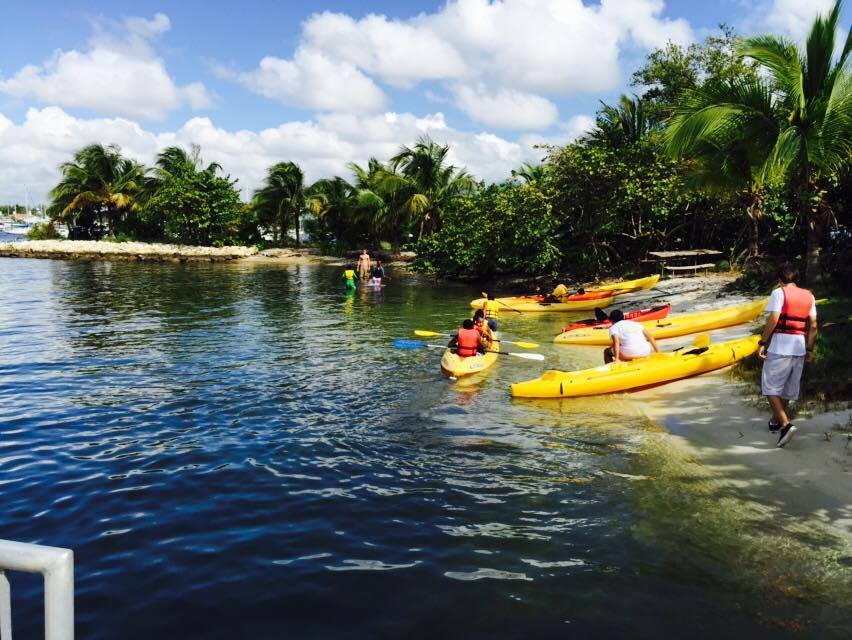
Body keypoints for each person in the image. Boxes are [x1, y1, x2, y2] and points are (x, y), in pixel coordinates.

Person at [757, 263, 817, 448]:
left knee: (770, 388)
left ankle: (785, 424)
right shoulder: (809, 295)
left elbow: (774, 319)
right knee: (788, 389)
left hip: (780, 347)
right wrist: (809, 349)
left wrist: (762, 342)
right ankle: (775, 421)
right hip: (799, 348)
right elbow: (813, 325)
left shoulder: (779, 292)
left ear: (780, 280)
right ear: (796, 278)